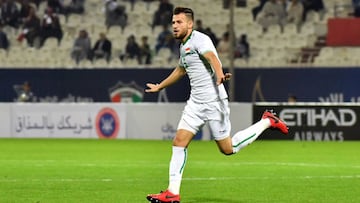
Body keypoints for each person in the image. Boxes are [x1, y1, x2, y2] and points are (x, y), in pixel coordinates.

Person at [145, 7, 289, 203]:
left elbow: (213, 58)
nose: (175, 26)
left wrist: (220, 73)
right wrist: (160, 87)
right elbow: (180, 70)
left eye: (179, 22)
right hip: (195, 103)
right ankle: (172, 193)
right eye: (173, 22)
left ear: (190, 24)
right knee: (179, 142)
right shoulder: (184, 46)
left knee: (228, 149)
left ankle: (266, 121)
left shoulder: (200, 40)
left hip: (214, 102)